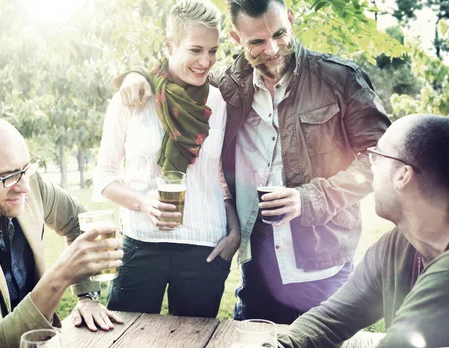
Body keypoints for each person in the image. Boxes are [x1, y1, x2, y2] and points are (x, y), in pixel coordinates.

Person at [118, 0, 392, 324]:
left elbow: (381, 160)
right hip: (258, 271)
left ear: (290, 20)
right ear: (236, 40)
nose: (272, 49)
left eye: (279, 34)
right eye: (257, 42)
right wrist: (135, 76)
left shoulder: (340, 80)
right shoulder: (226, 86)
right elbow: (179, 73)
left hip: (324, 267)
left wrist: (309, 198)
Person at [0, 116, 124, 348]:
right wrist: (61, 275)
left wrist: (88, 296)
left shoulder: (28, 183)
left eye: (26, 169)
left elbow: (80, 222)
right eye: (7, 177)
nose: (25, 186)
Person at [94, 0, 241, 318]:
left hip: (206, 248)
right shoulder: (132, 97)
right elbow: (105, 177)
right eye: (196, 50)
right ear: (169, 45)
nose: (206, 61)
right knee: (126, 338)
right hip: (141, 243)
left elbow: (221, 177)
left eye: (213, 51)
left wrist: (234, 233)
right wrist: (144, 204)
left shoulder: (220, 103)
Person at [278, 114, 449, 347]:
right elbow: (331, 319)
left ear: (403, 176)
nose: (371, 166)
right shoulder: (396, 246)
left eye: (376, 156)